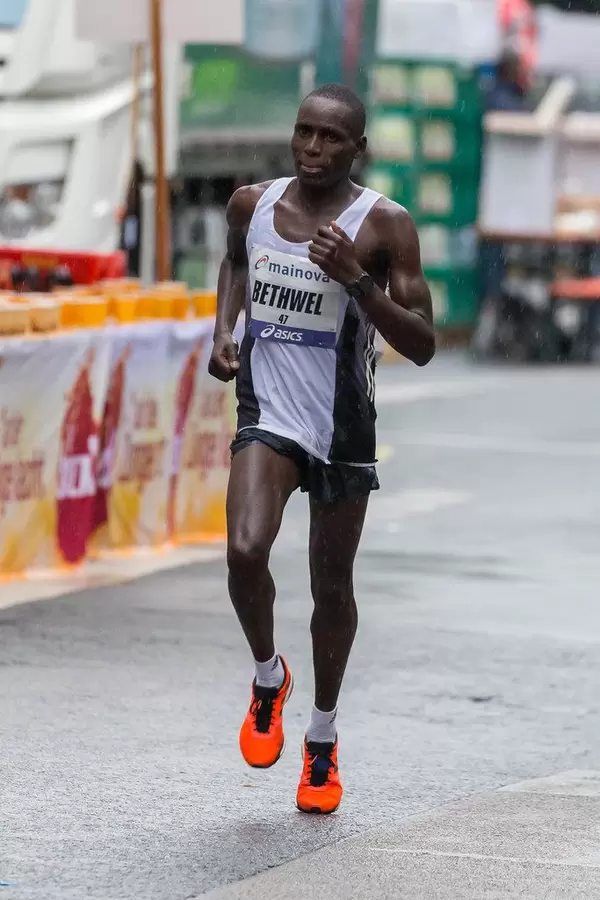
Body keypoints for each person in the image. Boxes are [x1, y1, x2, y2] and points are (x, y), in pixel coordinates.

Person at [208, 83, 435, 815]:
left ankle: (323, 741)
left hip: (343, 428)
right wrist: (224, 329)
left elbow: (424, 344)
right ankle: (268, 678)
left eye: (331, 138)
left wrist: (358, 284)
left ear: (356, 149)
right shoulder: (253, 205)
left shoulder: (385, 225)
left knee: (331, 590)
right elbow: (237, 265)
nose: (312, 148)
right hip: (268, 412)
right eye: (304, 132)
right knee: (245, 550)